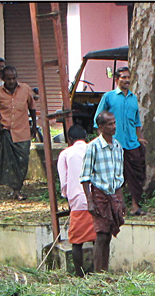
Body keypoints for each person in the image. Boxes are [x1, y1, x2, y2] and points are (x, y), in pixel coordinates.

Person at [94, 66, 147, 216]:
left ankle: (136, 206)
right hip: (114, 144)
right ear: (116, 80)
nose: (126, 80)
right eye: (123, 77)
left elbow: (137, 121)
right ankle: (119, 207)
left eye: (128, 77)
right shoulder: (109, 97)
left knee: (136, 176)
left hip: (132, 143)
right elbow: (98, 118)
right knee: (116, 175)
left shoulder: (133, 98)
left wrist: (140, 137)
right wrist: (103, 140)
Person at [80, 111, 125, 273]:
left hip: (114, 195)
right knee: (101, 234)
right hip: (99, 194)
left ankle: (104, 271)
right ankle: (98, 273)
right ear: (100, 127)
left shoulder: (118, 146)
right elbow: (85, 176)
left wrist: (121, 200)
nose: (113, 127)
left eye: (114, 123)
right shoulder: (93, 147)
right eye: (109, 124)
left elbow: (119, 176)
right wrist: (90, 200)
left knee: (109, 234)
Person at [0, 65, 36, 201]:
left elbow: (32, 108)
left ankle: (18, 187)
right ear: (3, 79)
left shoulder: (25, 89)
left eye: (14, 78)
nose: (11, 81)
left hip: (23, 132)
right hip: (7, 131)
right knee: (9, 162)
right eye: (8, 79)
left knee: (23, 162)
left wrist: (34, 126)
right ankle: (15, 190)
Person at [56, 124, 95, 276]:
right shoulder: (93, 149)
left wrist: (68, 197)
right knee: (98, 238)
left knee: (76, 241)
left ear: (69, 139)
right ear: (86, 137)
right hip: (96, 197)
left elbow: (64, 181)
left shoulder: (66, 154)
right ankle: (98, 270)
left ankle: (79, 274)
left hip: (77, 200)